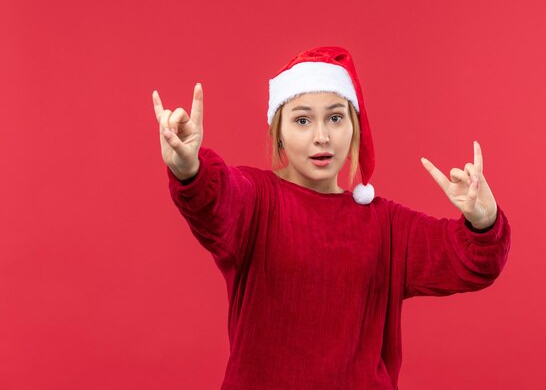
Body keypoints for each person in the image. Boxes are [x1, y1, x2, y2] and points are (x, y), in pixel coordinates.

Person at [152, 46, 511, 390]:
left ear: (354, 128)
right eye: (303, 119)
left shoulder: (385, 225)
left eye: (336, 118)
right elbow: (214, 202)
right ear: (279, 134)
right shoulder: (256, 200)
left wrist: (483, 220)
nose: (321, 136)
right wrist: (190, 168)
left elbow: (473, 261)